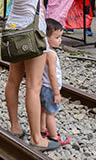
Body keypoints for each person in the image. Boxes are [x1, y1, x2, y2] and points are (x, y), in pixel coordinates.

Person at [1, 0, 94, 151]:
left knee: (14, 80)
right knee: (33, 85)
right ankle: (37, 138)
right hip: (33, 31)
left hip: (14, 27)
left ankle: (15, 126)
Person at [39, 18, 70, 146]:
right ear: (46, 38)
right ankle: (54, 136)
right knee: (51, 113)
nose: (60, 40)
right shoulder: (51, 55)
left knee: (43, 110)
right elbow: (52, 75)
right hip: (50, 89)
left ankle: (42, 130)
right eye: (57, 37)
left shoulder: (43, 52)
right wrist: (57, 93)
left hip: (42, 87)